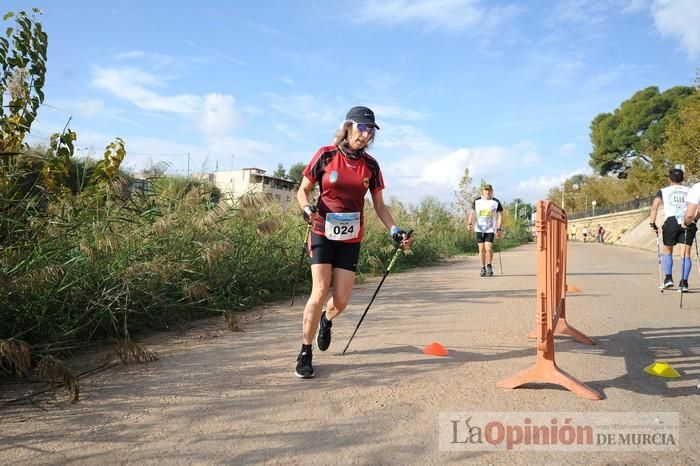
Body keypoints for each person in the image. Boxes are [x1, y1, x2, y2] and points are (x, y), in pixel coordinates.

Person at [294, 106, 413, 379]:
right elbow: (303, 190)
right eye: (362, 127)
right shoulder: (325, 155)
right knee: (320, 289)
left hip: (351, 236)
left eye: (370, 130)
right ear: (348, 127)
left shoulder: (371, 165)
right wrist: (306, 208)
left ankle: (326, 320)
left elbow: (380, 206)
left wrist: (395, 229)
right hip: (322, 230)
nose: (366, 134)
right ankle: (305, 352)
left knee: (343, 300)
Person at [649, 168, 696, 292]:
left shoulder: (663, 191)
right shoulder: (691, 190)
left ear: (669, 179)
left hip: (671, 222)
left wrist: (652, 224)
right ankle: (684, 283)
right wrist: (695, 220)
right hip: (687, 221)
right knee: (685, 254)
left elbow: (655, 207)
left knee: (667, 250)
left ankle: (668, 278)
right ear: (683, 179)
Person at [467, 184, 503, 277]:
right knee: (481, 249)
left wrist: (498, 228)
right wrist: (470, 223)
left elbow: (500, 216)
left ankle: (489, 265)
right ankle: (482, 267)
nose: (487, 192)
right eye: (486, 190)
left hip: (490, 229)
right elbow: (472, 213)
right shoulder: (477, 201)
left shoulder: (495, 202)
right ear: (482, 191)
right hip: (479, 228)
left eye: (489, 190)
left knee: (489, 248)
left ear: (492, 191)